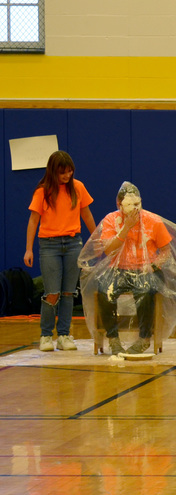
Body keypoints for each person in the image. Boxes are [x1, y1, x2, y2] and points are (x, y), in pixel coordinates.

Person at [79, 182, 176, 355]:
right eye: (129, 205)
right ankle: (113, 338)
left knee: (146, 290)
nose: (134, 209)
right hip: (118, 269)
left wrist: (153, 265)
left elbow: (166, 251)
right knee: (104, 290)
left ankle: (145, 338)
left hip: (146, 269)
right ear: (119, 205)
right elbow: (108, 250)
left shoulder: (152, 220)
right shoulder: (110, 220)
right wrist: (126, 228)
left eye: (137, 204)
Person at [24, 151, 97, 352]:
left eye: (70, 171)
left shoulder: (78, 187)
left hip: (74, 244)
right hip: (49, 245)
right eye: (62, 172)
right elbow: (33, 220)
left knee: (68, 293)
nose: (67, 175)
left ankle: (64, 335)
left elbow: (87, 215)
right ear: (53, 171)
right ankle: (46, 336)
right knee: (52, 293)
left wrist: (97, 239)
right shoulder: (42, 191)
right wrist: (29, 249)